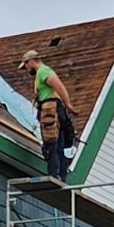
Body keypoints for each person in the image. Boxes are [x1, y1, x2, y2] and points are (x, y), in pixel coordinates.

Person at [20, 50, 76, 180]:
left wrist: (69, 104)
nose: (27, 69)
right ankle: (61, 175)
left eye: (26, 66)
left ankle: (54, 175)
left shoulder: (43, 71)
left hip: (51, 111)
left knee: (51, 143)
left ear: (30, 62)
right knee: (58, 144)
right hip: (56, 111)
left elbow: (59, 86)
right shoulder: (42, 73)